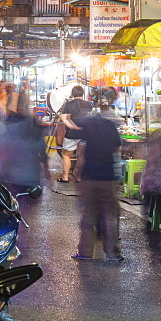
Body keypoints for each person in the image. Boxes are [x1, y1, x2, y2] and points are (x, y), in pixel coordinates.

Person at [67, 105, 124, 261]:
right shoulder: (110, 126)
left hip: (89, 177)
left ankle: (85, 252)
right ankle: (112, 252)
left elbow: (75, 138)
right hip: (108, 176)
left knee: (88, 215)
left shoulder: (89, 126)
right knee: (109, 215)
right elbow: (117, 149)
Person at [57, 85, 93, 183]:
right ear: (82, 93)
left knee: (66, 155)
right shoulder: (89, 104)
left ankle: (65, 177)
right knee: (81, 156)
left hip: (71, 134)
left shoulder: (68, 105)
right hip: (85, 133)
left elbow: (64, 119)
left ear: (72, 94)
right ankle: (79, 177)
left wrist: (73, 127)